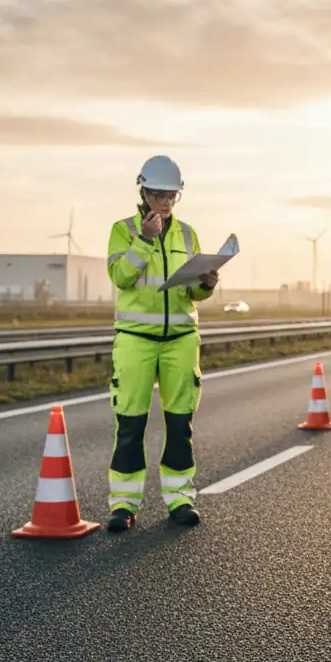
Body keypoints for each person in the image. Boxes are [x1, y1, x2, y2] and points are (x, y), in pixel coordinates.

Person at [104, 155, 219, 532]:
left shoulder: (188, 234)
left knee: (180, 423)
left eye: (172, 196)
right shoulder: (123, 231)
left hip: (181, 340)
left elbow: (193, 293)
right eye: (158, 195)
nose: (166, 203)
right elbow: (121, 276)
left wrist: (206, 284)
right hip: (136, 341)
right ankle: (123, 505)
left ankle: (180, 499)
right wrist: (145, 242)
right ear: (144, 192)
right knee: (131, 425)